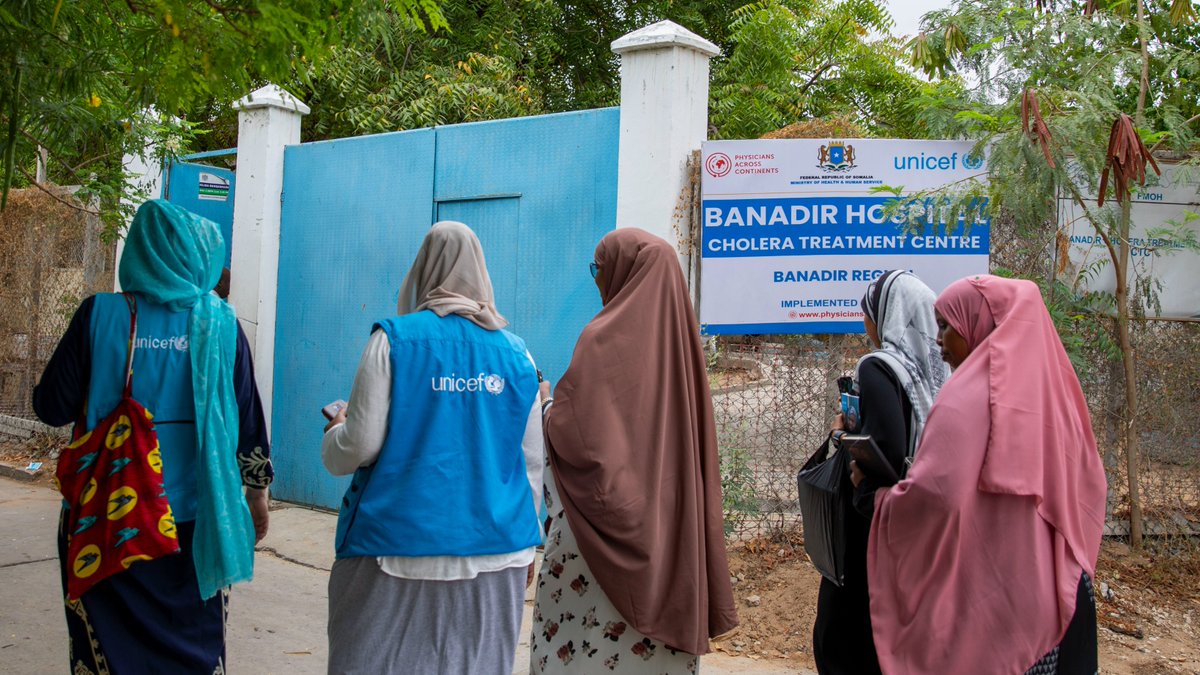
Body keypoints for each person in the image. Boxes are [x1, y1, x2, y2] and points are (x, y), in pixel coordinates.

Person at [33, 199, 272, 673]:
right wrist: (256, 497)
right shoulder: (222, 324)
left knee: (107, 648)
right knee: (191, 647)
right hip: (194, 522)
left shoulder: (99, 315)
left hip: (105, 521)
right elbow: (249, 424)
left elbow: (51, 408)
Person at [321, 221, 543, 675]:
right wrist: (526, 539)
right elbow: (531, 462)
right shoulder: (519, 354)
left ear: (423, 268)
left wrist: (334, 435)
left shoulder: (393, 340)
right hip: (498, 547)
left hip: (396, 543)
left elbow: (360, 443)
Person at [864, 275, 1107, 674]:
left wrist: (879, 499)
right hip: (1066, 591)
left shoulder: (965, 399)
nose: (939, 339)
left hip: (1003, 606)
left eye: (946, 326)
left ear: (981, 324)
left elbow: (937, 497)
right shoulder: (1056, 396)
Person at [532, 228, 738, 673]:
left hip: (593, 546)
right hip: (670, 538)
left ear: (620, 272)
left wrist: (547, 405)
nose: (596, 280)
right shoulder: (685, 353)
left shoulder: (600, 340)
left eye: (597, 270)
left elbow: (575, 440)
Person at [815, 270, 949, 675]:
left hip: (870, 517)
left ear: (887, 314)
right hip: (918, 513)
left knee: (842, 627)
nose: (864, 323)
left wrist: (843, 438)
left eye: (867, 313)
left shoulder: (877, 367)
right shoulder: (937, 370)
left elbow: (885, 446)